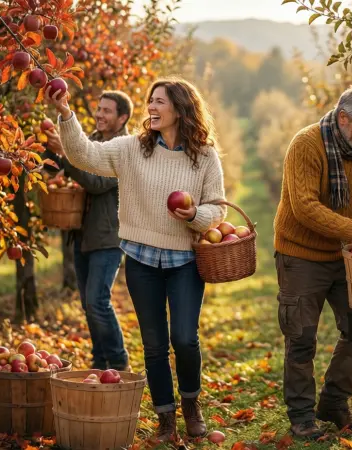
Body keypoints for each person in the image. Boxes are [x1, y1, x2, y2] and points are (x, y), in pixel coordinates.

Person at [46, 77, 227, 442]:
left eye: (160, 101)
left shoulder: (205, 155)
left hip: (184, 261)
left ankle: (190, 403)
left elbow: (217, 208)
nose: (152, 108)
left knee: (185, 339)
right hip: (142, 259)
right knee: (155, 345)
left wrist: (194, 217)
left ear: (181, 108)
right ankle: (165, 418)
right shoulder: (133, 148)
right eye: (150, 101)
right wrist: (65, 113)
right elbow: (84, 155)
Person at [273, 85, 352, 439]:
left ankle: (332, 402)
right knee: (301, 337)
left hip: (346, 257)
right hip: (300, 255)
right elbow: (305, 207)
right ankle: (301, 416)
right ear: (343, 117)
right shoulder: (307, 144)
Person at [45, 91, 133, 372]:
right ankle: (99, 361)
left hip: (108, 236)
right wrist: (52, 150)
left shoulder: (124, 148)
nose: (99, 114)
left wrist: (66, 155)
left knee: (97, 301)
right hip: (82, 233)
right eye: (98, 108)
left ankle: (119, 362)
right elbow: (62, 167)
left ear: (122, 118)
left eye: (107, 110)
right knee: (88, 304)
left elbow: (96, 182)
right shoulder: (91, 141)